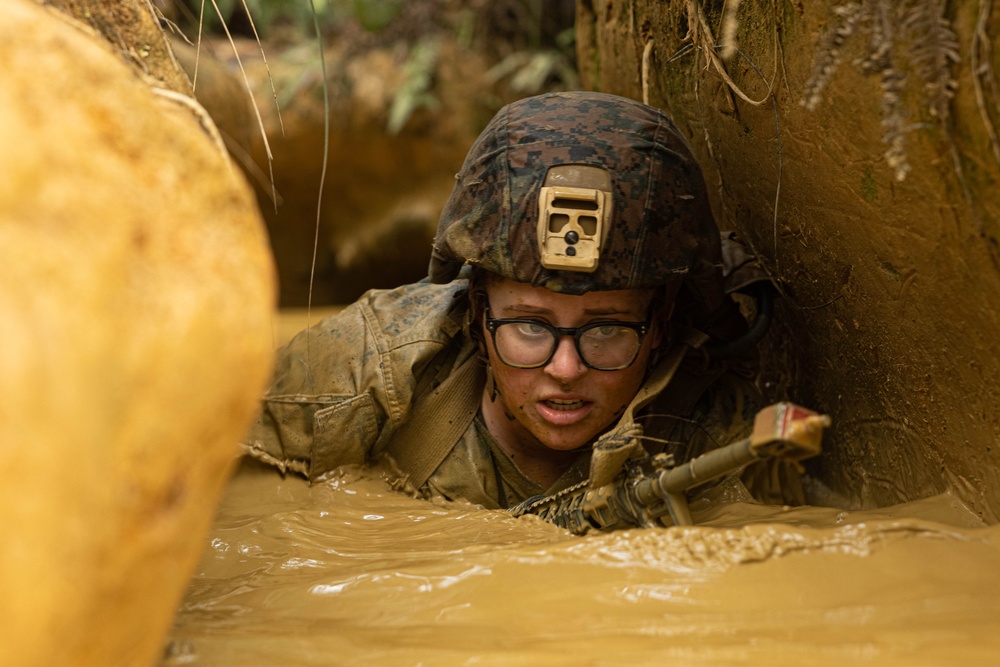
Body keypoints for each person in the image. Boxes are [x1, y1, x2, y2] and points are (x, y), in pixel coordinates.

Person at [242, 91, 805, 514]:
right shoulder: (366, 366)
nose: (566, 370)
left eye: (606, 330)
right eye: (529, 326)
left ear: (661, 323)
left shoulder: (714, 428)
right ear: (476, 311)